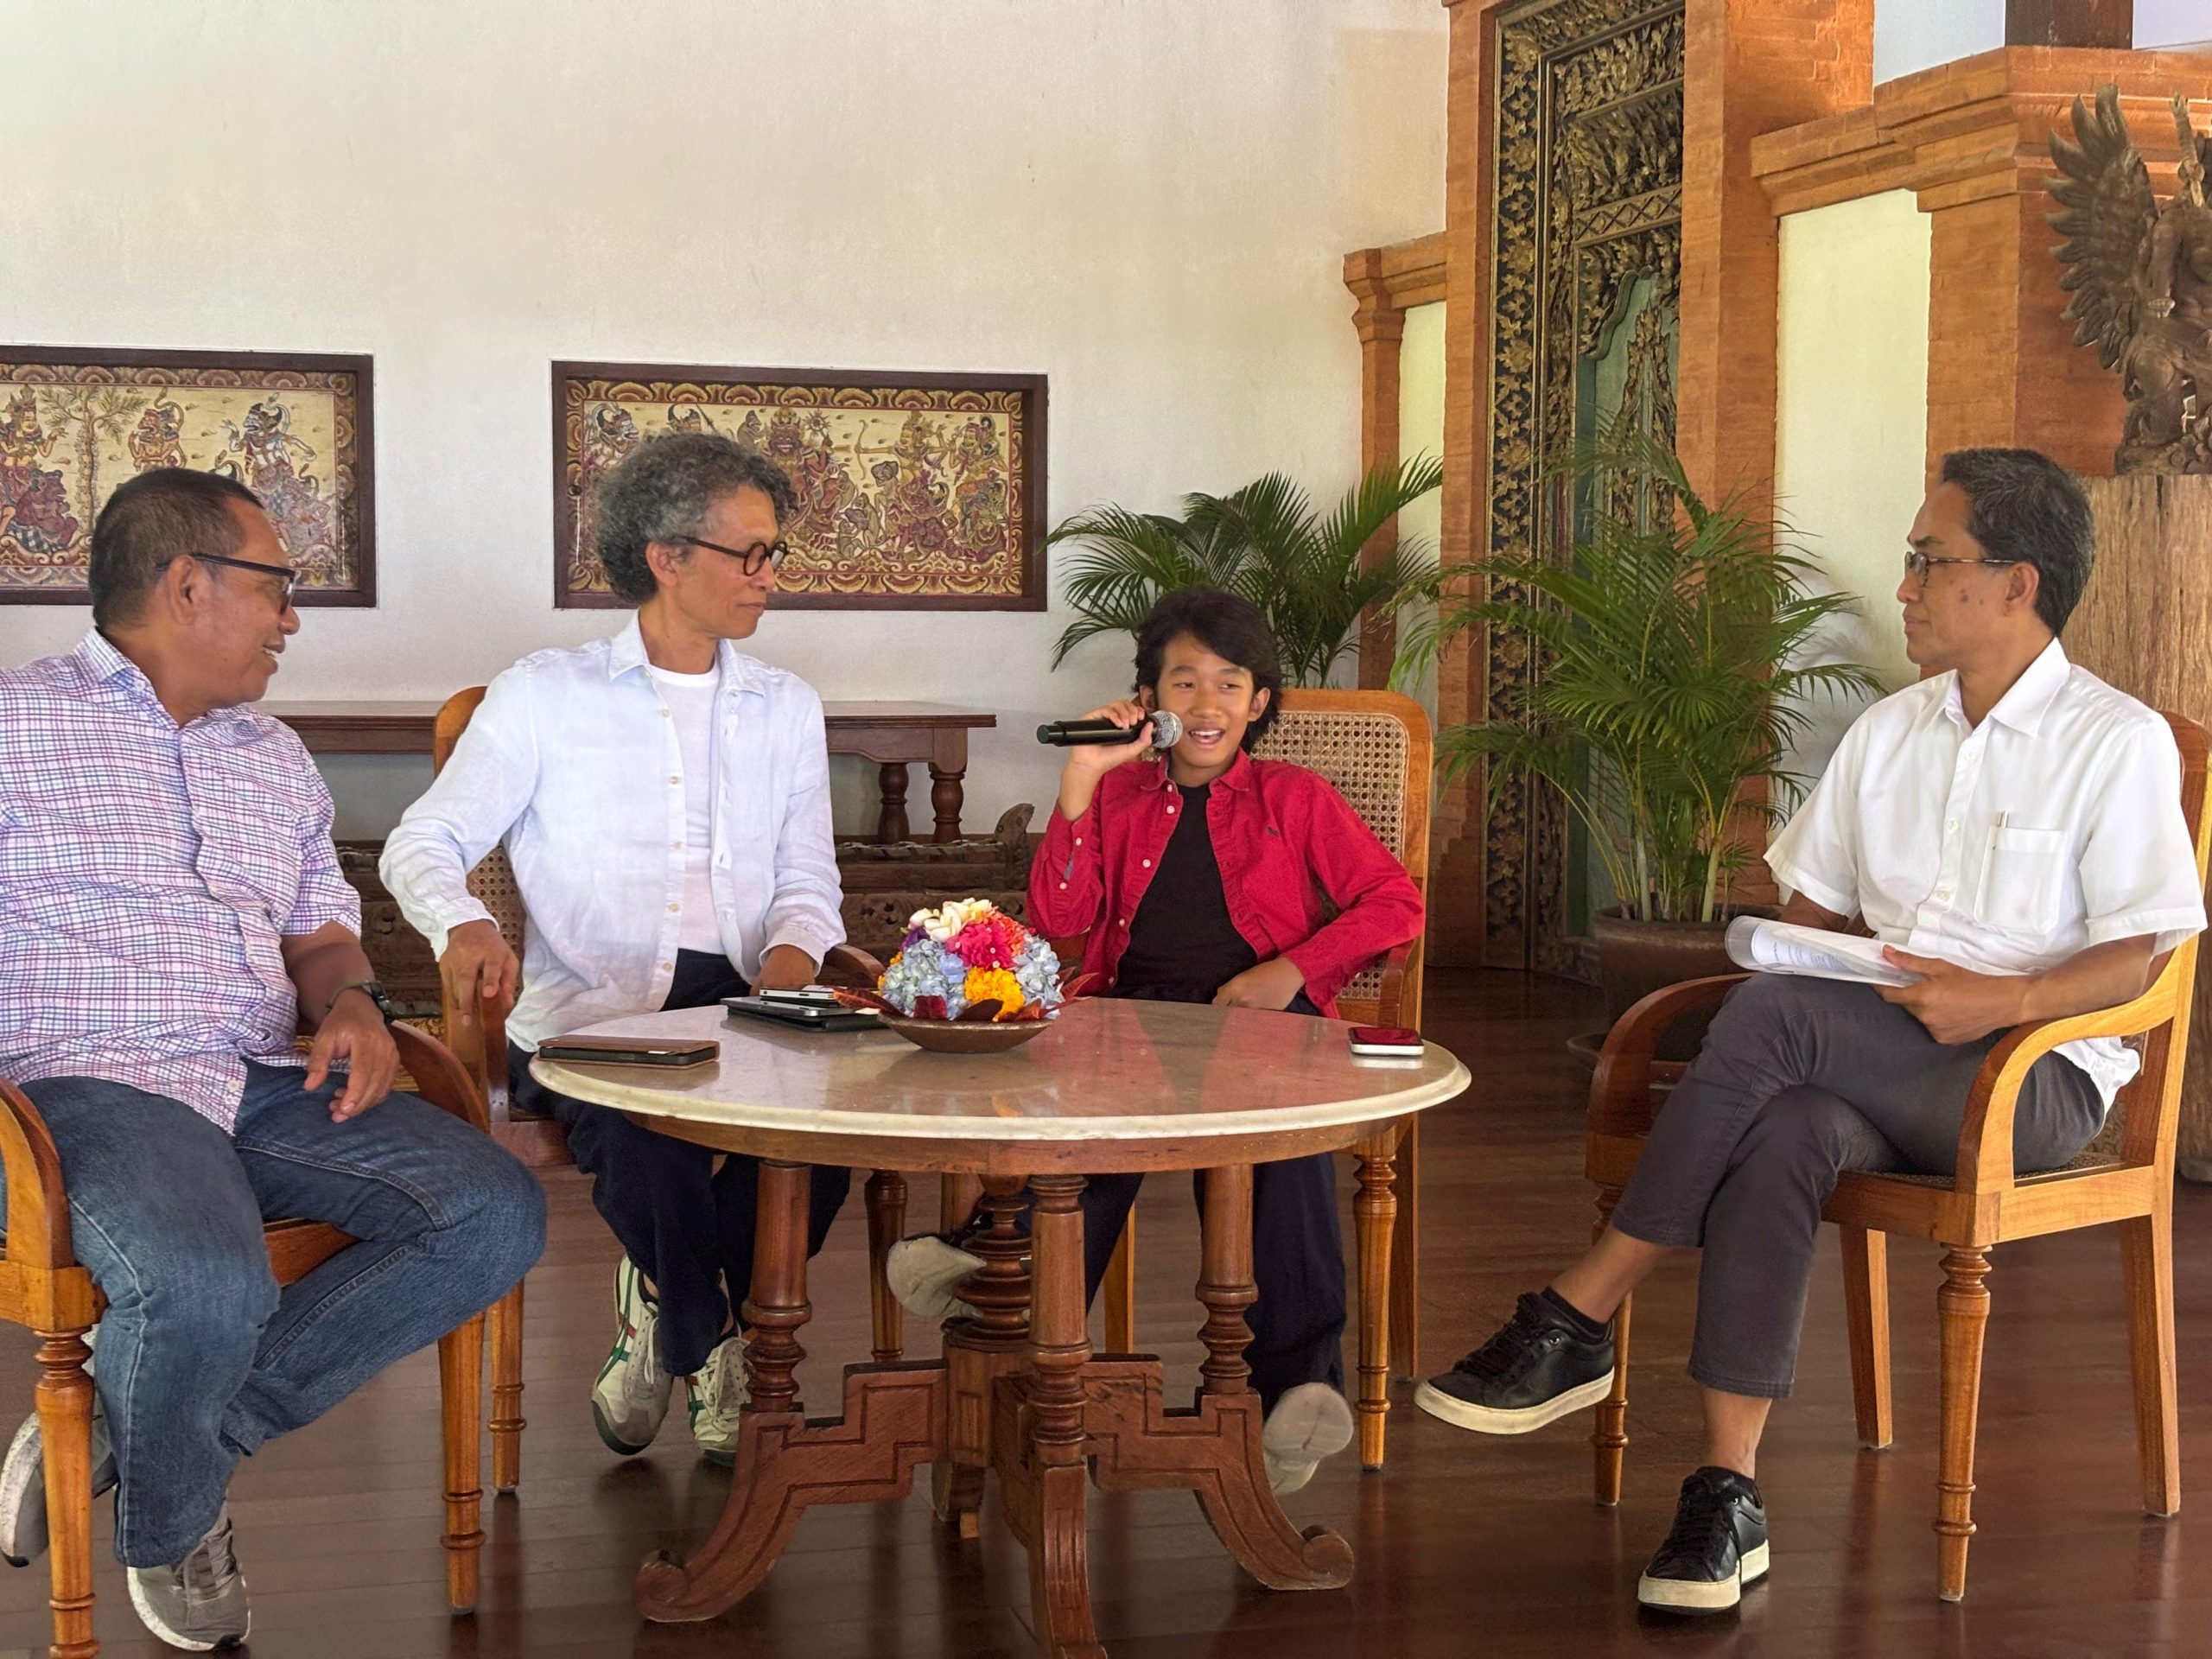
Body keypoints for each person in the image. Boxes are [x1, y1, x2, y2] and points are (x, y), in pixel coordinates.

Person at [1416, 448, 2209, 1614]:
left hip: (2029, 1079)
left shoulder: (2117, 741)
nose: (1904, 587)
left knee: (1780, 1024)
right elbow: (1806, 922)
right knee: (1787, 1120)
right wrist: (1803, 959)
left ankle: (1583, 1308)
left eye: (1927, 561)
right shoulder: (1889, 734)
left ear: (2016, 583)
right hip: (1880, 1055)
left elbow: (2140, 953)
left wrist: (2003, 1001)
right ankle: (1726, 1498)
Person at [0, 468, 546, 1650]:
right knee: (205, 1279)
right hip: (88, 1082)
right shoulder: (13, 725)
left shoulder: (272, 752)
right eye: (277, 588)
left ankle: (155, 1444)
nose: (291, 618)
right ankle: (175, 1515)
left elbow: (320, 930)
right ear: (187, 584)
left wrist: (351, 1002)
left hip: (260, 1072)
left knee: (495, 1211)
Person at [889, 587, 1424, 1494]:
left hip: (1260, 1015)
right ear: (1150, 700)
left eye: (1229, 683)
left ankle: (1296, 1387)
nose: (1206, 704)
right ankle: (1004, 1292)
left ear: (1259, 702)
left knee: (1285, 1151)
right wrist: (1083, 778)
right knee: (1088, 1125)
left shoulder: (1294, 798)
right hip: (1133, 1009)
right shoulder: (1121, 795)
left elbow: (1394, 902)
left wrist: (1290, 972)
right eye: (1183, 682)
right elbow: (1059, 920)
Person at [382, 433, 849, 1467]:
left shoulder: (786, 706)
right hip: (594, 1011)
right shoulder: (547, 695)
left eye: (776, 555)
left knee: (821, 1146)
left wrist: (787, 983)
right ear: (664, 555)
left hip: (745, 998)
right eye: (750, 555)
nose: (769, 580)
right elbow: (424, 840)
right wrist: (462, 922)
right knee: (646, 1142)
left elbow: (810, 884)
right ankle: (707, 1340)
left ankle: (664, 1307)